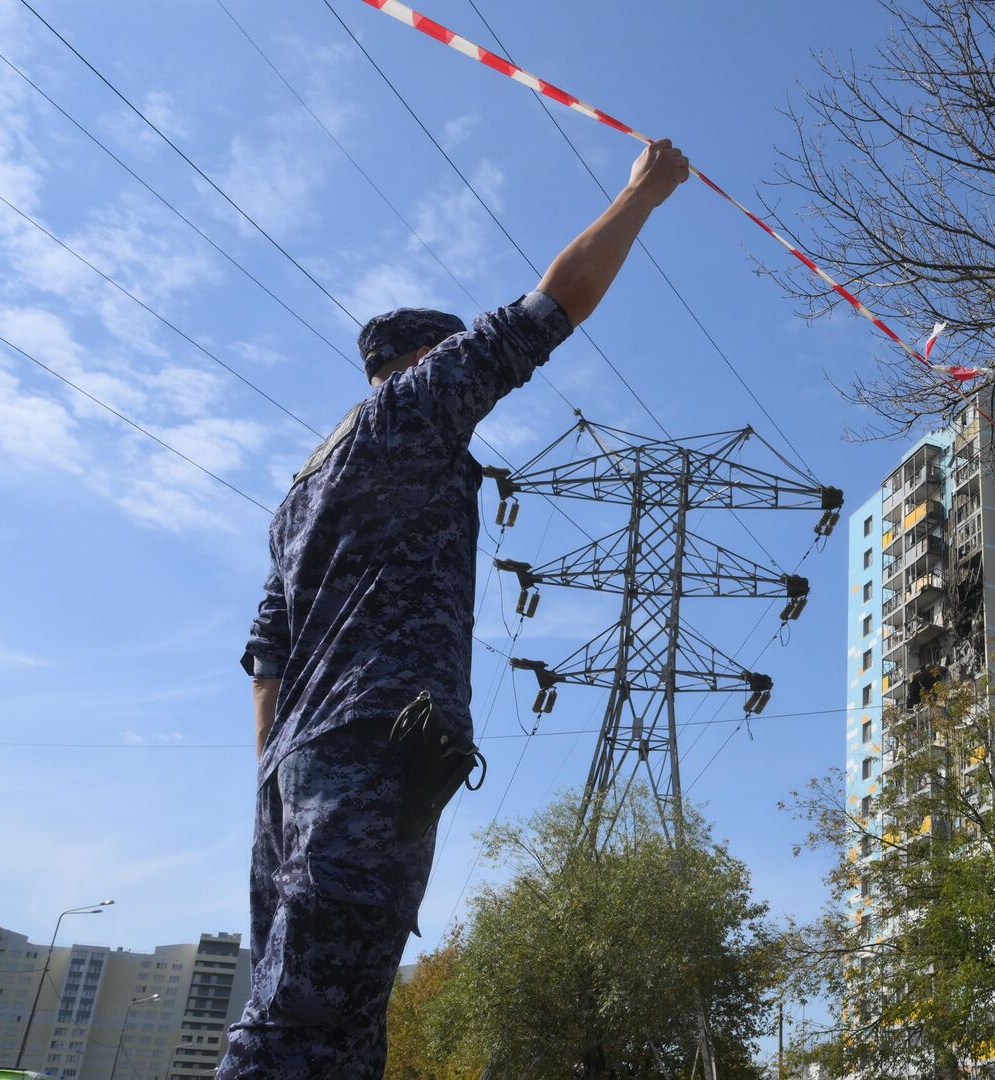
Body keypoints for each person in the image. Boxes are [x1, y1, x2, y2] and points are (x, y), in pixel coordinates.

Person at [217, 139, 692, 1079]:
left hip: (296, 772)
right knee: (306, 1023)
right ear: (425, 360)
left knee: (331, 1020)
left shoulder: (300, 489)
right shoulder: (413, 415)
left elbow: (267, 654)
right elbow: (549, 308)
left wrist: (277, 769)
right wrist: (643, 192)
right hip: (371, 751)